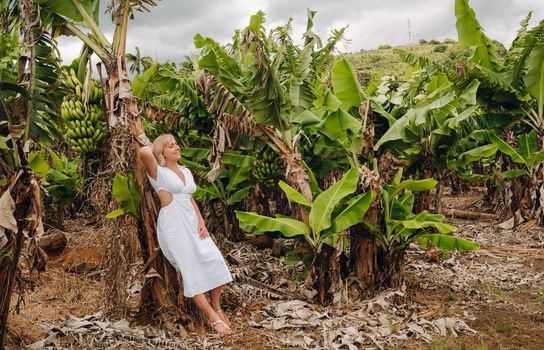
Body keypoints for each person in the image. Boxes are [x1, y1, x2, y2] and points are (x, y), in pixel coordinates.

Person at [133, 121, 234, 335]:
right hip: (174, 224)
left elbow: (190, 198)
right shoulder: (157, 172)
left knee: (215, 261)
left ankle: (216, 305)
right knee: (190, 270)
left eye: (176, 144)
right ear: (162, 152)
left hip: (192, 221)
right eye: (171, 146)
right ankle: (212, 317)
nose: (177, 147)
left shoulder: (186, 171)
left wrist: (201, 221)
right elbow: (144, 151)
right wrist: (142, 134)